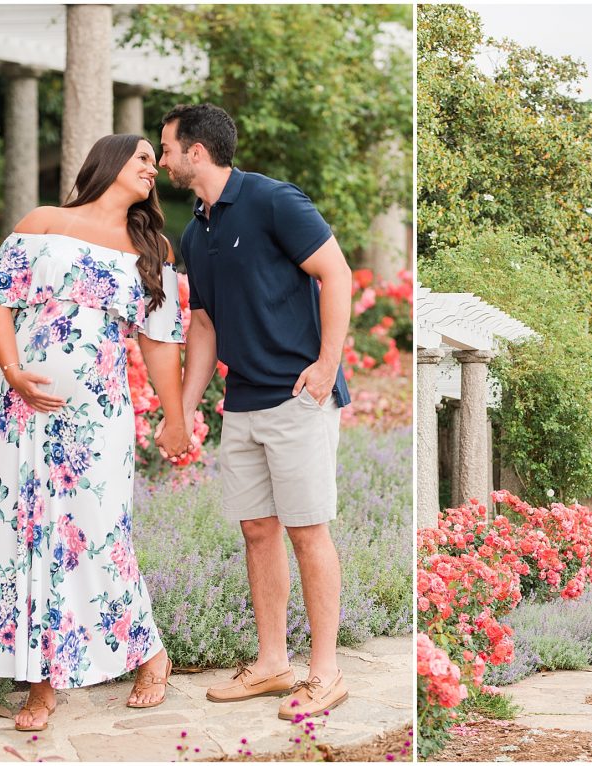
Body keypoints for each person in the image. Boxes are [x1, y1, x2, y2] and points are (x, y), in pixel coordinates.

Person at [0, 134, 192, 732]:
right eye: (144, 157)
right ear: (110, 162)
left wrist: (175, 418)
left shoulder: (153, 249)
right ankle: (42, 687)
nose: (154, 168)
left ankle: (148, 653)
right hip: (18, 409)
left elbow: (159, 341)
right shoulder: (43, 222)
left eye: (156, 159)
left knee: (98, 533)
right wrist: (15, 375)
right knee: (27, 538)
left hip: (97, 418)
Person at [155, 103, 352, 718]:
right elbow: (204, 324)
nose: (160, 158)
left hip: (298, 399)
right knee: (257, 531)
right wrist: (184, 411)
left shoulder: (273, 201)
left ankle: (326, 673)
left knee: (306, 530)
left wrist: (325, 365)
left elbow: (337, 273)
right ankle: (272, 665)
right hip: (240, 404)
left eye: (165, 148)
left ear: (196, 151)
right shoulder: (196, 231)